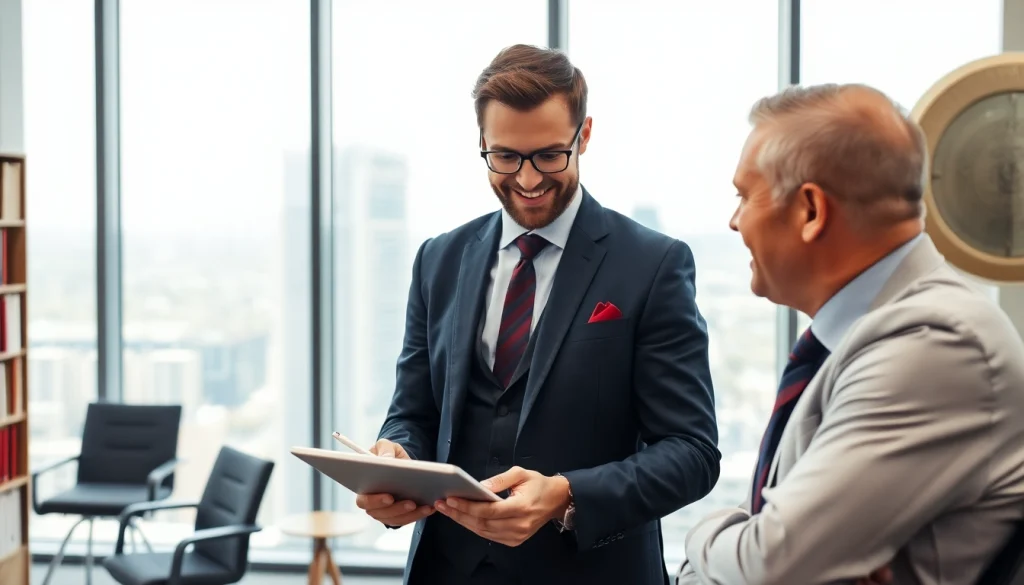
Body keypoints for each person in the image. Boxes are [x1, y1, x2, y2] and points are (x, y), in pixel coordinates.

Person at [354, 44, 720, 585]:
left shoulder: (654, 264)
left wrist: (568, 494)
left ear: (585, 135)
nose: (527, 180)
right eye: (505, 157)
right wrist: (397, 459)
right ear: (481, 143)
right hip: (447, 571)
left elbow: (692, 453)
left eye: (549, 155)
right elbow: (414, 410)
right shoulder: (439, 259)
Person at [676, 83, 1024, 585]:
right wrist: (756, 539)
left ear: (811, 211)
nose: (733, 222)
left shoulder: (936, 343)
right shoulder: (871, 337)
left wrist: (705, 532)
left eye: (744, 196)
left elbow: (773, 562)